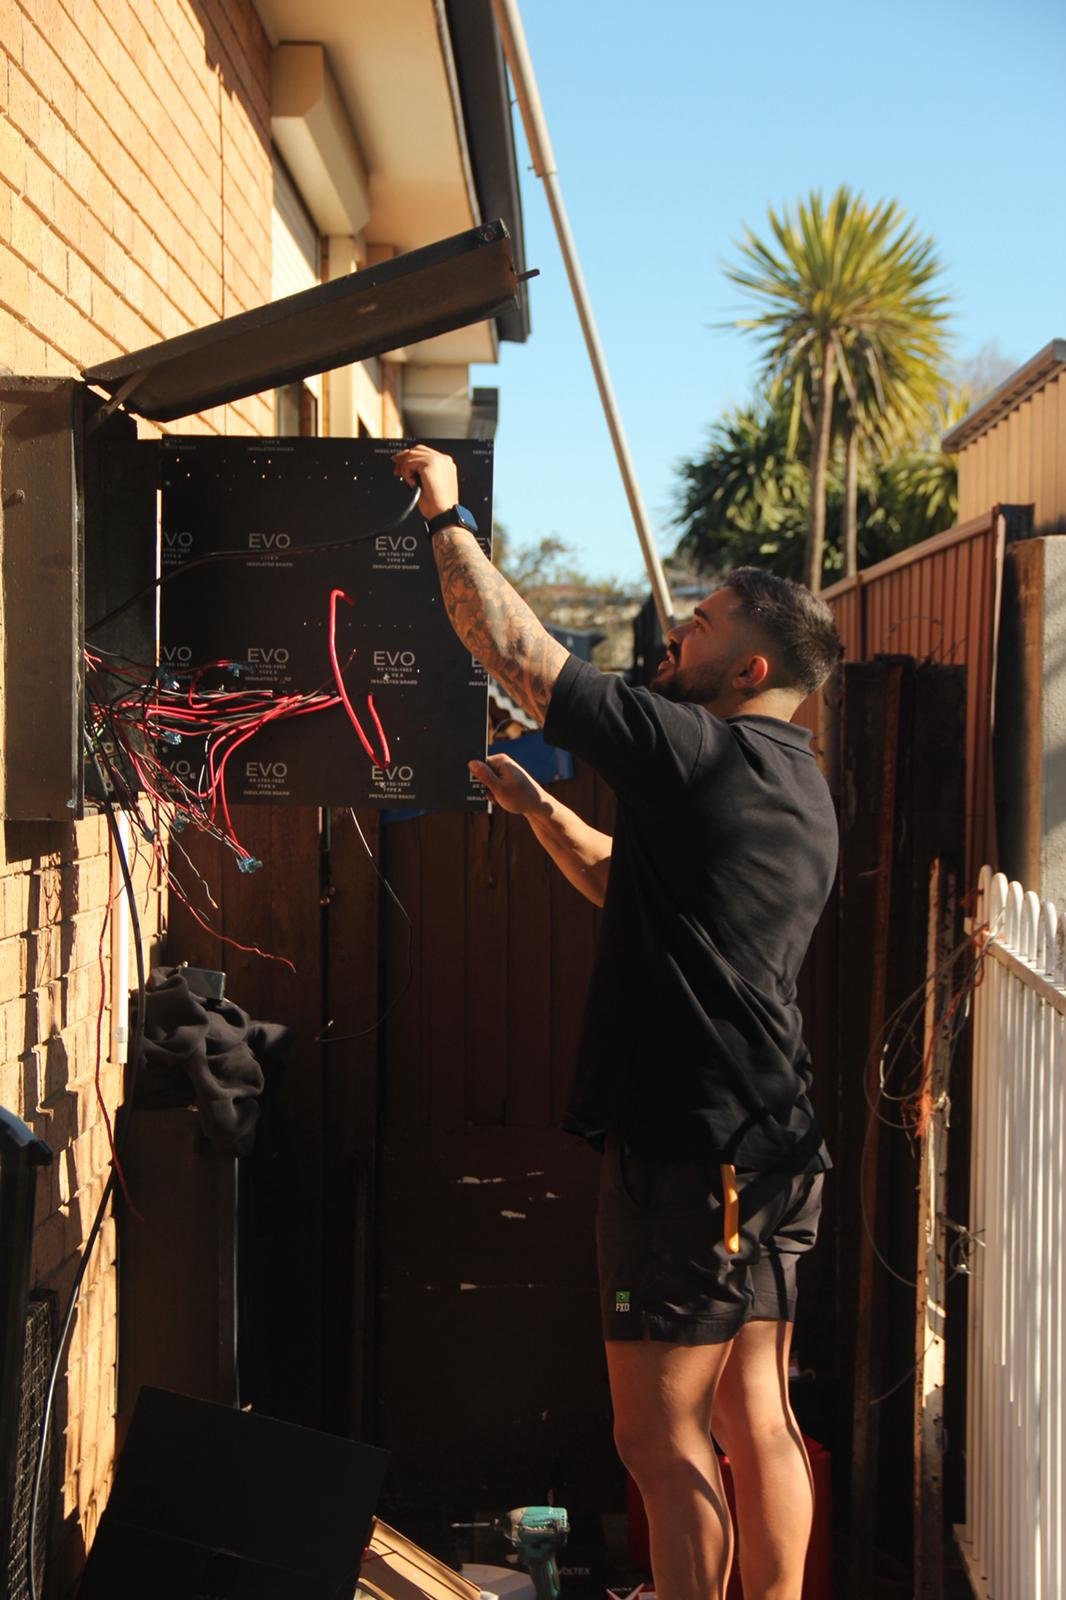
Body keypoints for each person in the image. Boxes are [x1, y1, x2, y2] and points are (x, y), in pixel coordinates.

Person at [392, 445, 841, 1600]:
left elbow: (516, 656)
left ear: (747, 666)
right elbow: (623, 880)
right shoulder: (792, 785)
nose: (673, 636)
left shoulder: (698, 749)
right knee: (756, 1414)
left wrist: (447, 514)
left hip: (690, 1155)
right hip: (772, 1147)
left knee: (658, 1438)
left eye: (697, 625)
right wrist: (540, 808)